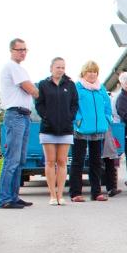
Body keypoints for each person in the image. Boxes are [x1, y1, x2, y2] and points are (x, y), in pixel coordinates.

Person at [0, 38, 39, 209]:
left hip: (24, 116)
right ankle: (5, 199)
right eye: (19, 49)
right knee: (12, 159)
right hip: (16, 115)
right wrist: (40, 91)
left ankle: (13, 196)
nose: (23, 52)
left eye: (25, 49)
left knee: (20, 160)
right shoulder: (12, 67)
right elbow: (31, 89)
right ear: (11, 51)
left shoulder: (20, 69)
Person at [35, 57, 78, 206]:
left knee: (62, 161)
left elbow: (74, 104)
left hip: (65, 129)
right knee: (50, 161)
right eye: (58, 67)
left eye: (63, 67)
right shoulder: (43, 84)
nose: (60, 70)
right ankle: (52, 195)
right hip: (48, 129)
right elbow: (39, 104)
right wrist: (46, 117)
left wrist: (69, 117)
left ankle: (60, 195)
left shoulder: (70, 85)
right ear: (51, 68)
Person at [69, 60, 112, 203]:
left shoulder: (101, 88)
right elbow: (72, 105)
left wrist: (107, 118)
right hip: (81, 129)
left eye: (95, 72)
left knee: (96, 162)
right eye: (89, 71)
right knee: (78, 161)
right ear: (83, 73)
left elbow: (107, 105)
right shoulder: (77, 87)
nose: (92, 74)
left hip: (98, 129)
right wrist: (78, 120)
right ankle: (75, 193)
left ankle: (96, 192)